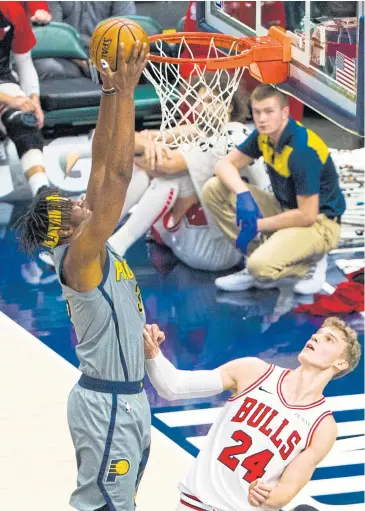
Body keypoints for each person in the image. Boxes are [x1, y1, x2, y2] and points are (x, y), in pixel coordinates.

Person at [15, 43, 149, 511]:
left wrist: (110, 92)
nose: (77, 201)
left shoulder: (80, 239)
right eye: (69, 206)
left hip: (125, 398)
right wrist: (130, 94)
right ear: (64, 228)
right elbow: (117, 175)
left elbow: (99, 160)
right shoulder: (81, 255)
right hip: (108, 404)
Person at [143, 317, 361, 511]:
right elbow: (173, 387)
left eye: (329, 339)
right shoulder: (253, 371)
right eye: (317, 334)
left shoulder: (323, 427)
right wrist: (153, 353)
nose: (315, 337)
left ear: (340, 363)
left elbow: (286, 491)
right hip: (195, 504)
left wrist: (266, 496)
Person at [108, 73, 266, 271]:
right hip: (211, 238)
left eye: (210, 100)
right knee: (143, 168)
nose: (202, 107)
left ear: (229, 105)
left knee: (169, 179)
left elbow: (168, 165)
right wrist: (149, 143)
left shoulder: (231, 135)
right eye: (199, 102)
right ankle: (102, 231)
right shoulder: (203, 132)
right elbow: (132, 139)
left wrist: (145, 151)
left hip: (219, 249)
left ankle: (114, 242)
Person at [202, 84, 346, 294]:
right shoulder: (264, 135)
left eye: (269, 111)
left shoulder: (302, 150)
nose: (261, 119)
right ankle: (259, 256)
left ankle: (309, 262)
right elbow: (223, 165)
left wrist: (257, 225)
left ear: (285, 112)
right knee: (213, 188)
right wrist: (243, 195)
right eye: (257, 112)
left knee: (260, 268)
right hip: (285, 209)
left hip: (319, 224)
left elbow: (307, 215)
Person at [0, 1, 51, 196]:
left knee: (24, 120)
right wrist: (9, 100)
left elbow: (24, 62)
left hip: (2, 78)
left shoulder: (11, 9)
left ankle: (43, 194)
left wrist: (33, 99)